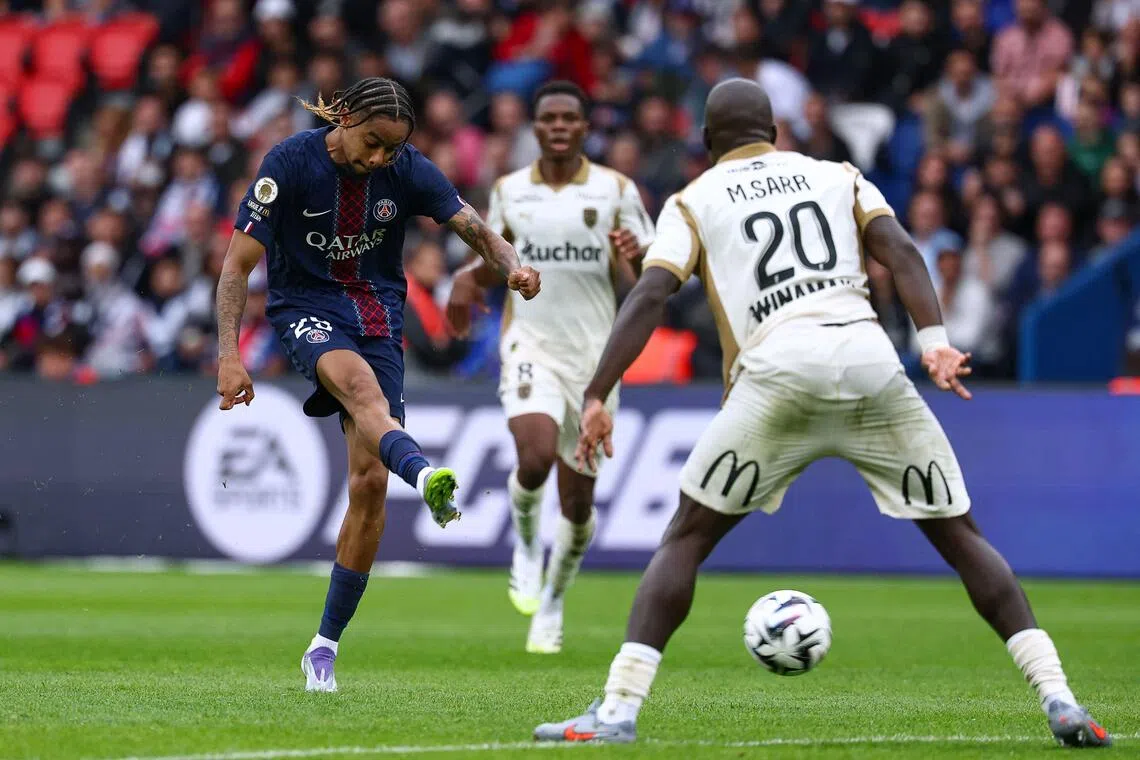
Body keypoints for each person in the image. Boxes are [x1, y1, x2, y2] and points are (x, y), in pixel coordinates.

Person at [532, 79, 1111, 748]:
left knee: (687, 539)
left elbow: (652, 295)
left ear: (707, 142)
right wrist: (935, 344)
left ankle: (619, 710)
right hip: (869, 363)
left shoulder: (693, 199)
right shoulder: (837, 174)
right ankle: (1061, 700)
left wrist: (599, 390)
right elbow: (900, 251)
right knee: (963, 539)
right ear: (775, 132)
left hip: (779, 372)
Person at [215, 77, 540, 693]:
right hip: (305, 308)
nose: (378, 159)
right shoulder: (288, 163)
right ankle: (426, 475)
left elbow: (473, 227)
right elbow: (236, 265)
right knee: (359, 390)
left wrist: (512, 265)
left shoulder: (406, 168)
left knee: (367, 485)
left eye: (390, 149)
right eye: (371, 143)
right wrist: (229, 354)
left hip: (378, 315)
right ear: (342, 118)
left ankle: (322, 647)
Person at [446, 81, 654, 653]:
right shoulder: (511, 190)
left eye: (570, 117)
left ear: (585, 127)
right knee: (533, 458)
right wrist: (466, 279)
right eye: (549, 118)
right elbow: (496, 259)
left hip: (595, 363)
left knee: (579, 506)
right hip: (530, 346)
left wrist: (631, 257)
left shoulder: (616, 190)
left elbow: (646, 287)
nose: (559, 126)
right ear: (535, 129)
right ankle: (524, 547)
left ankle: (554, 600)